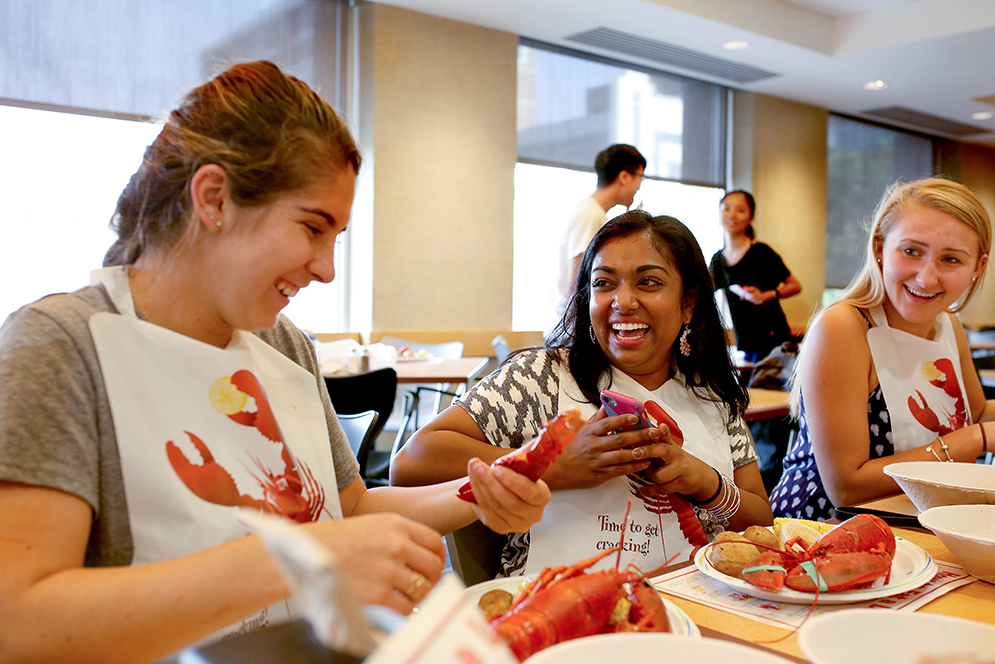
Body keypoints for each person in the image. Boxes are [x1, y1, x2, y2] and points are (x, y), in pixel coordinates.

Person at [0, 61, 551, 664]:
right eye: (313, 228)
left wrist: (476, 494)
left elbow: (350, 508)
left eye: (336, 236)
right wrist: (294, 562)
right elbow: (19, 620)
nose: (327, 267)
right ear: (213, 198)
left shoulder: (284, 344)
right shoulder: (59, 345)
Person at [393, 210, 772, 577]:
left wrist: (705, 481)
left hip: (693, 611)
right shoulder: (539, 378)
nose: (622, 302)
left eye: (648, 282)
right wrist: (554, 466)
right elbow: (410, 465)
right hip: (546, 612)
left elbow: (763, 528)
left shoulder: (714, 399)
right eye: (604, 283)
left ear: (688, 304)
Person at [770, 178, 993, 521]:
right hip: (822, 528)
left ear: (977, 268)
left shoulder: (949, 325)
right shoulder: (844, 327)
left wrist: (978, 430)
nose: (926, 278)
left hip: (919, 520)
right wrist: (976, 439)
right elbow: (846, 486)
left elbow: (976, 415)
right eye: (912, 251)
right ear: (879, 248)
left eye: (950, 259)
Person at [709, 190, 801, 363]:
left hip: (775, 340)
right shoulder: (718, 260)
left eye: (740, 210)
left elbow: (795, 285)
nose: (732, 215)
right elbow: (704, 293)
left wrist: (766, 295)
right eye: (726, 208)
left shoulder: (762, 252)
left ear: (751, 218)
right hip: (747, 342)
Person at [556, 144, 646, 299]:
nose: (640, 185)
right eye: (640, 176)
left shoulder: (594, 212)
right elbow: (578, 281)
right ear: (624, 177)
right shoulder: (590, 214)